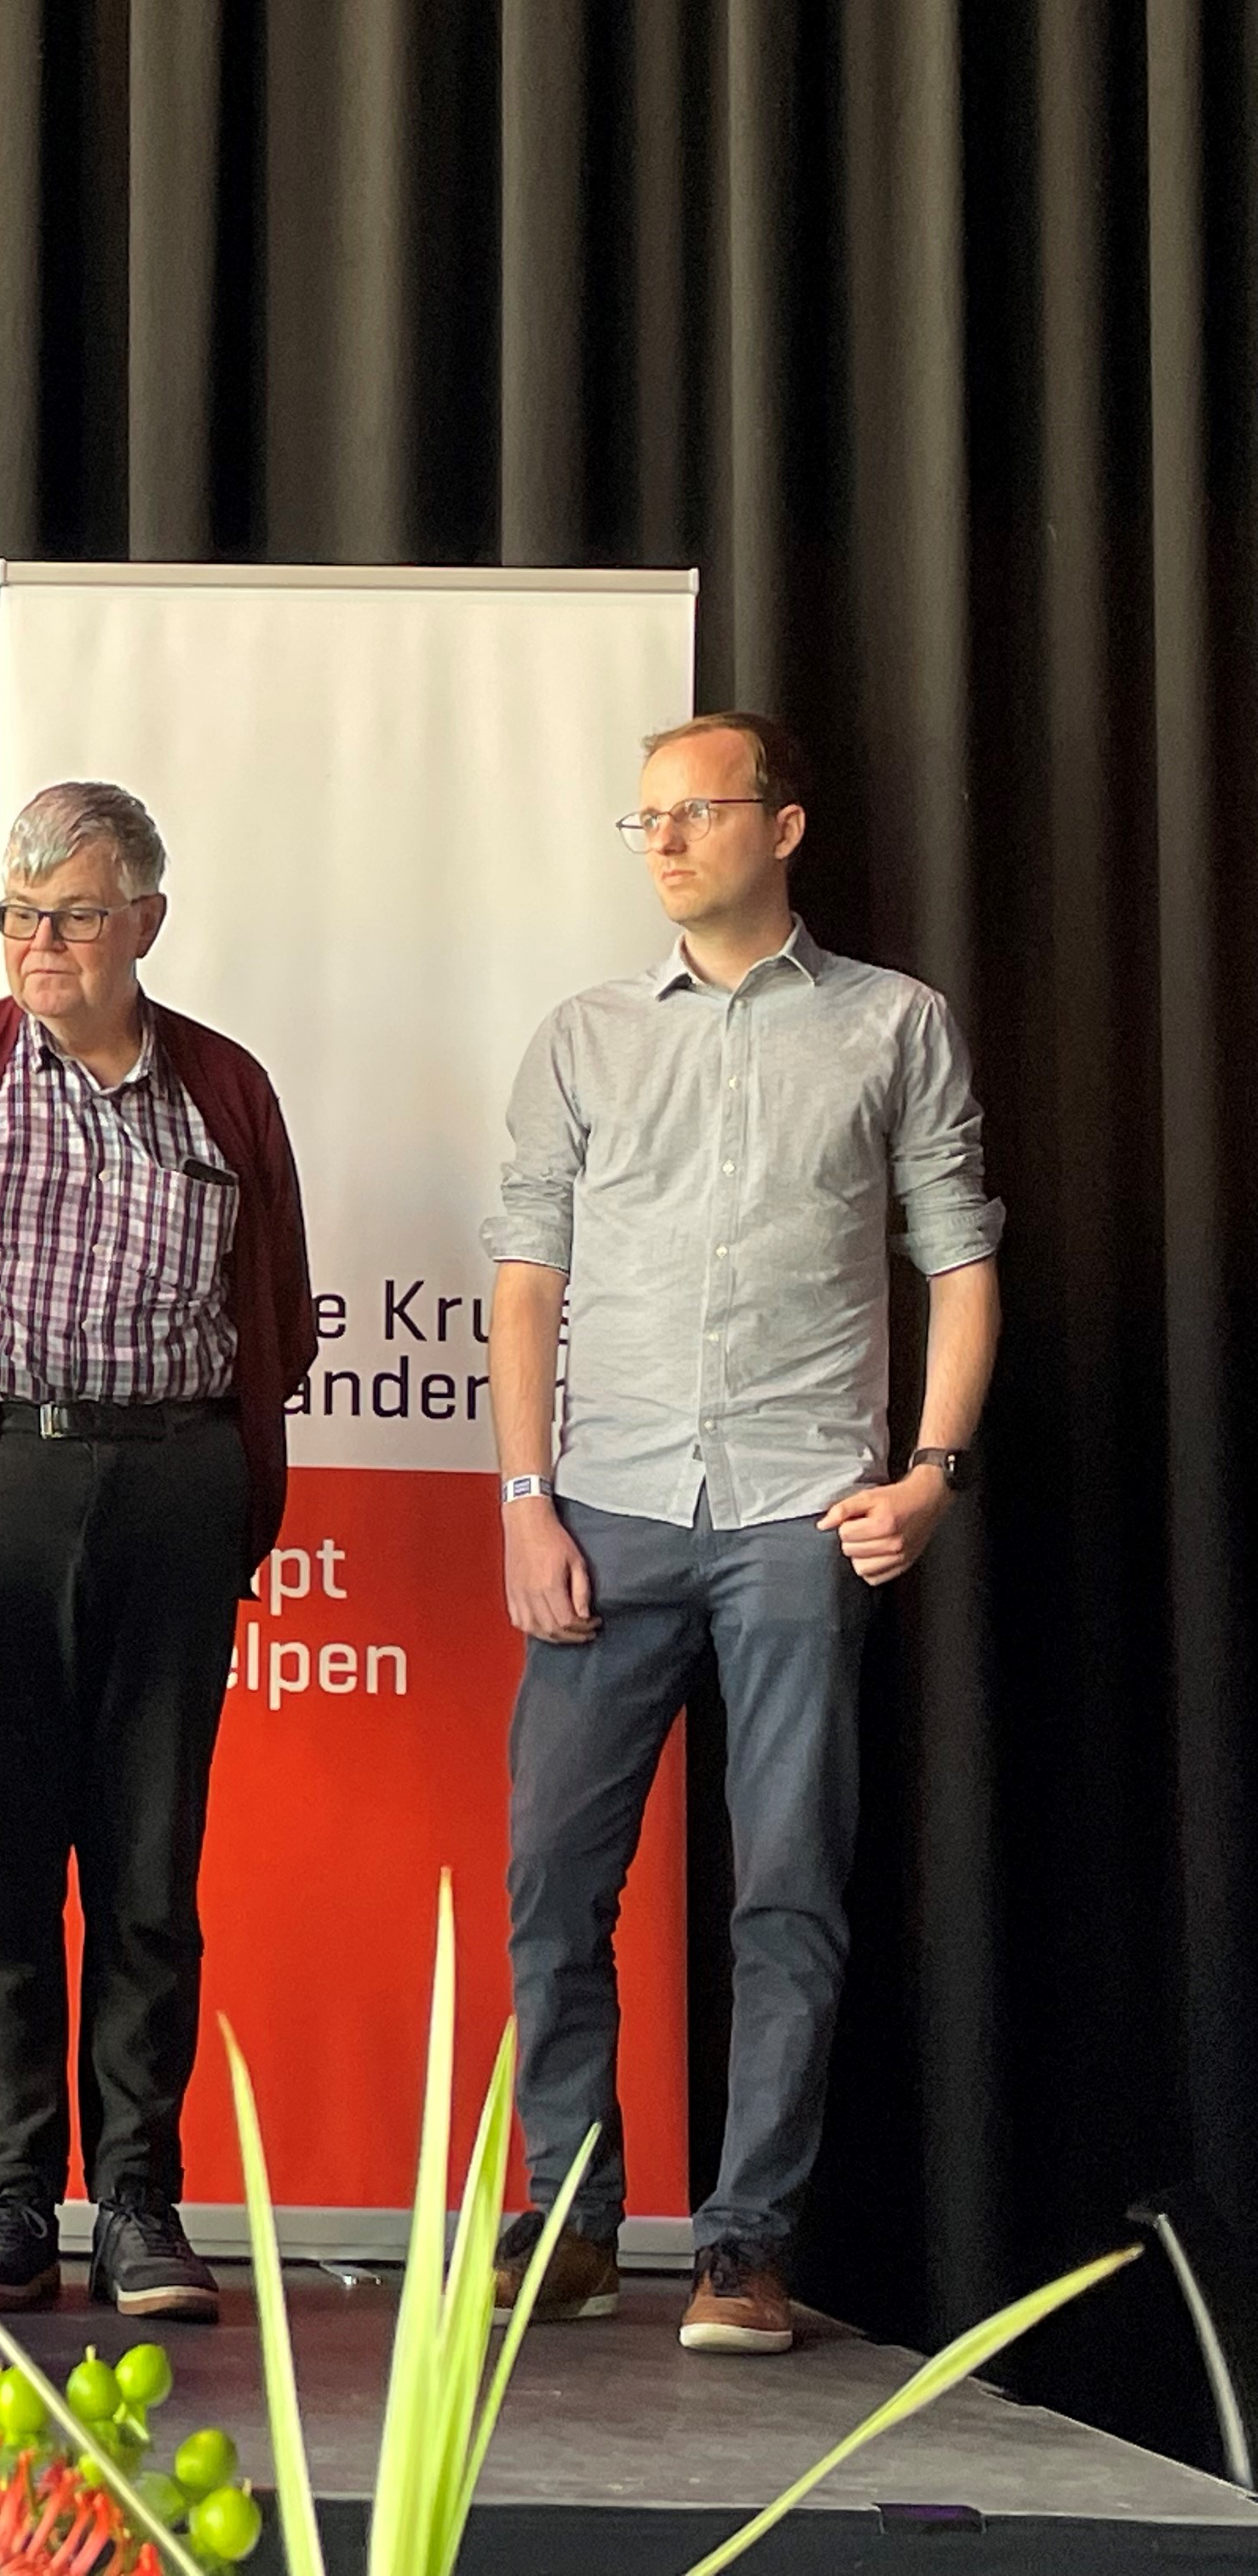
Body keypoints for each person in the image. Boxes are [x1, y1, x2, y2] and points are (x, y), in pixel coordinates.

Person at [485, 712, 1002, 2356]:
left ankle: (745, 2245)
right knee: (552, 1878)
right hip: (608, 1507)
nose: (659, 841)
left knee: (785, 1888)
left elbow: (958, 1260)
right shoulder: (581, 1035)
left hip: (799, 1508)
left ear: (779, 827)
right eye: (641, 817)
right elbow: (525, 1278)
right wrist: (523, 1499)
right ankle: (570, 2221)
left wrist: (931, 1472)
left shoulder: (892, 1023)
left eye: (692, 812)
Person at [0, 781, 314, 2320]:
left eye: (75, 914)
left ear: (146, 922)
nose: (39, 943)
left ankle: (140, 2202)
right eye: (18, 914)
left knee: (149, 1870)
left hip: (174, 1485)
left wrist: (204, 1464)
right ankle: (9, 2199)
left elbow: (277, 1314)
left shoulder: (225, 1090)